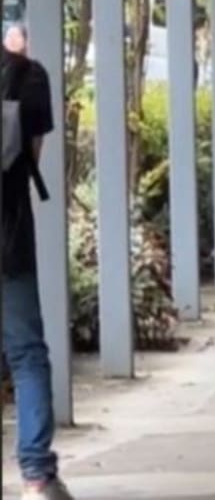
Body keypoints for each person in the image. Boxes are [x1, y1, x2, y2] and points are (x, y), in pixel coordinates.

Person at [2, 48, 74, 500]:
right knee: (27, 355)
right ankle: (36, 477)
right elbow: (32, 156)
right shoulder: (28, 75)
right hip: (8, 240)